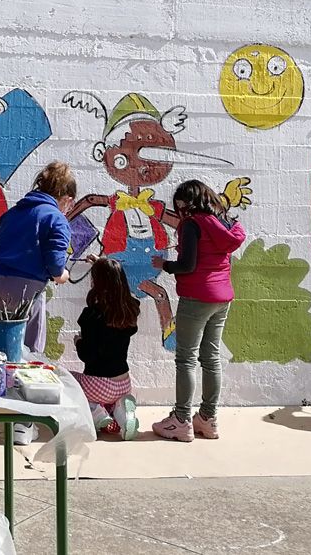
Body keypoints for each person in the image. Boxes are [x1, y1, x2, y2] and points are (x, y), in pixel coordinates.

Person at [0, 161, 77, 444]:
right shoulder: (55, 218)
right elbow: (56, 266)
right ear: (65, 198)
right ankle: (21, 423)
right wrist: (63, 274)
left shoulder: (13, 213)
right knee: (24, 354)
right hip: (27, 290)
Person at [151, 180, 246, 442]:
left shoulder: (192, 224)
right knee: (211, 357)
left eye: (180, 205)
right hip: (222, 297)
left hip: (197, 297)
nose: (179, 210)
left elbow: (187, 265)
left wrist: (165, 264)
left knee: (186, 359)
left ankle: (181, 420)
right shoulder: (225, 222)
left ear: (187, 203)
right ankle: (208, 418)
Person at [72, 256, 140, 441]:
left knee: (65, 378)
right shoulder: (130, 310)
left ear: (96, 282)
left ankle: (96, 412)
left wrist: (78, 341)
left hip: (97, 386)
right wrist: (102, 264)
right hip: (123, 384)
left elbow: (88, 356)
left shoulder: (92, 315)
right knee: (115, 399)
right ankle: (123, 411)